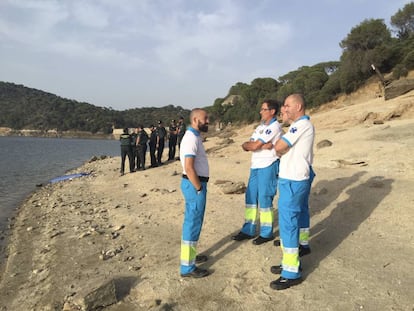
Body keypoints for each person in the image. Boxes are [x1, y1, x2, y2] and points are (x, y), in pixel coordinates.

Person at [269, 94, 315, 290]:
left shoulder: (299, 126)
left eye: (287, 106)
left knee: (288, 224)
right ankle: (299, 250)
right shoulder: (302, 126)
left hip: (293, 180)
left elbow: (279, 146)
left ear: (298, 106)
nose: (284, 109)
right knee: (299, 215)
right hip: (298, 178)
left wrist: (279, 149)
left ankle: (291, 271)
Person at [232, 99, 282, 245]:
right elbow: (248, 145)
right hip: (255, 166)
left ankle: (266, 233)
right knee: (251, 197)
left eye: (263, 109)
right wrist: (251, 145)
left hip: (269, 164)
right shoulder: (260, 127)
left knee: (265, 198)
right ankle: (249, 229)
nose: (260, 111)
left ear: (272, 111)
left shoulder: (274, 127)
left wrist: (253, 146)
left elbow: (253, 146)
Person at [179, 108, 210, 278]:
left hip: (194, 184)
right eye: (205, 118)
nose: (208, 121)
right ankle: (187, 267)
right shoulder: (191, 138)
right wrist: (199, 188)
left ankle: (190, 257)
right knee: (192, 224)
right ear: (196, 119)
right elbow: (189, 167)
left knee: (193, 223)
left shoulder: (195, 136)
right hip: (194, 185)